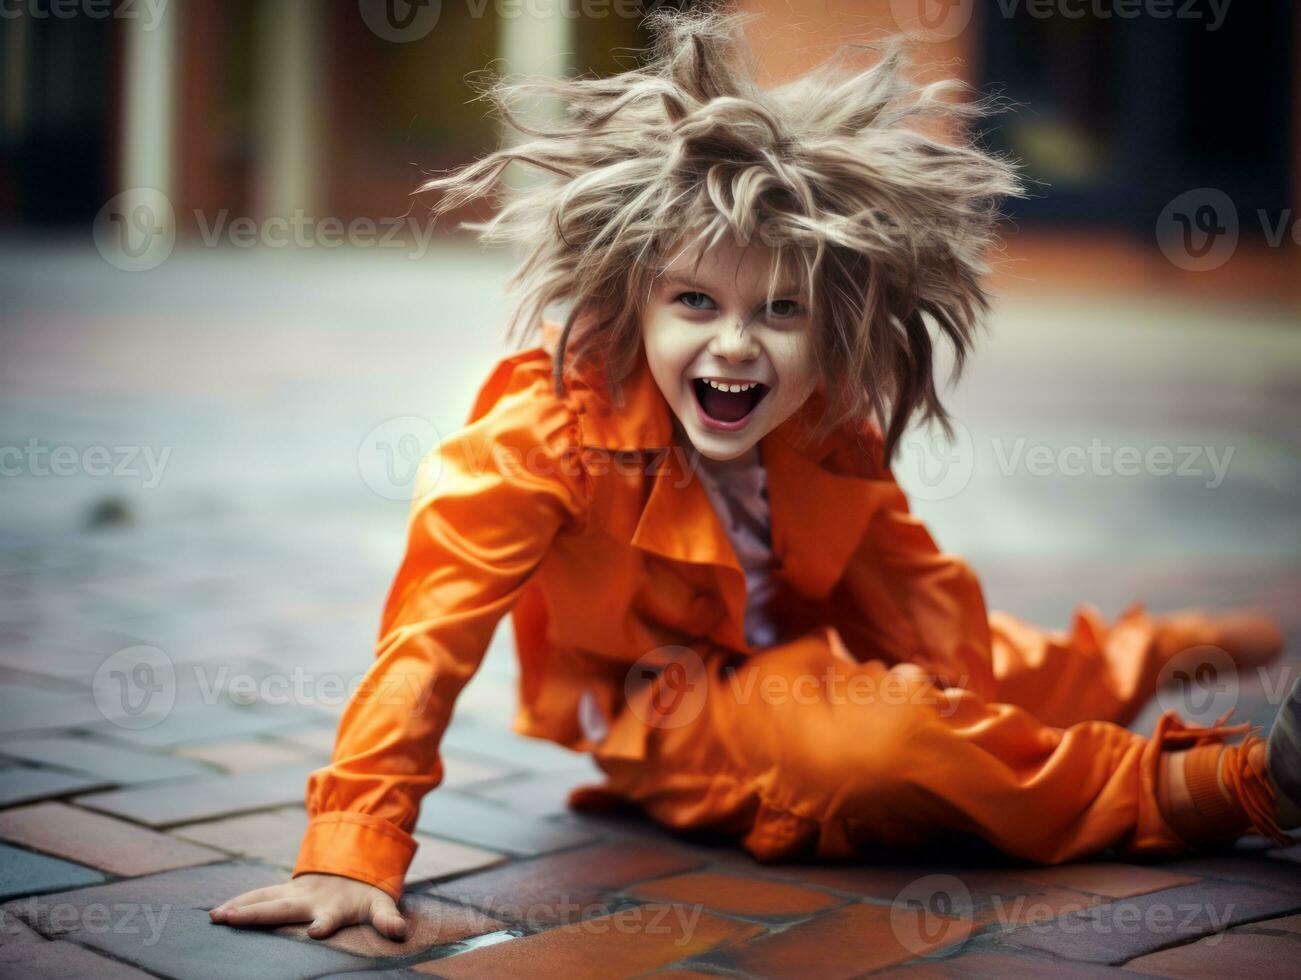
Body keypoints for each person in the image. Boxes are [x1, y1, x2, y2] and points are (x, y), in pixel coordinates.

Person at [210, 7, 1298, 941]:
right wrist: (350, 846)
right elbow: (428, 638)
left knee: (1008, 674)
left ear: (828, 329)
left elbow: (915, 592)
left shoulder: (822, 420)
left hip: (834, 644)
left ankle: (1163, 647)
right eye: (696, 302)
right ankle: (1243, 781)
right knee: (893, 742)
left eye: (779, 310)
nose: (736, 344)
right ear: (629, 301)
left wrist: (979, 702)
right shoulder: (542, 434)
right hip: (676, 704)